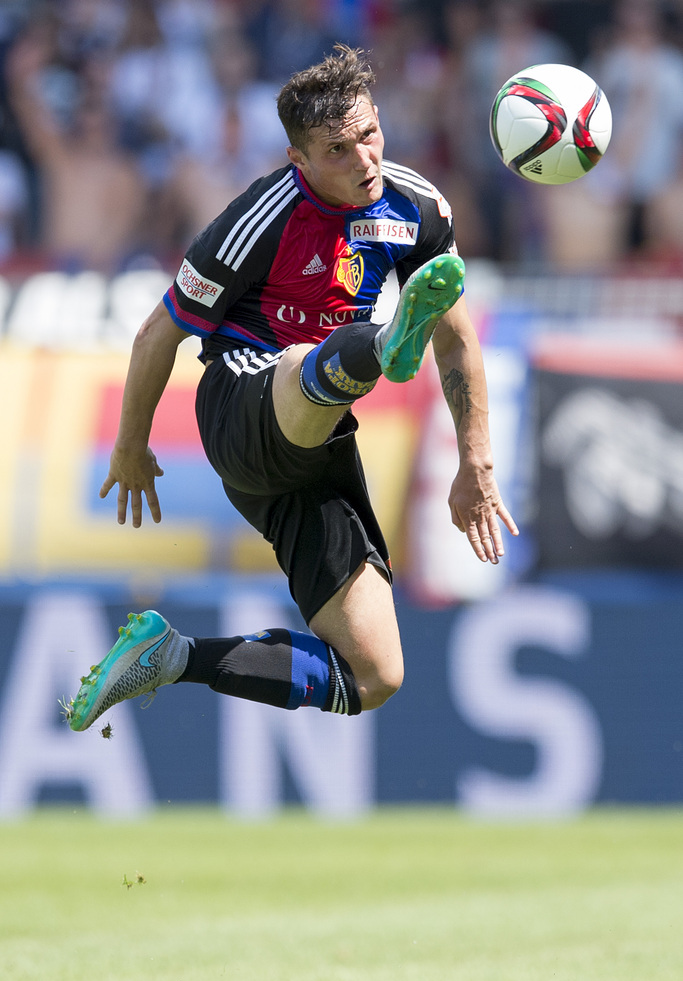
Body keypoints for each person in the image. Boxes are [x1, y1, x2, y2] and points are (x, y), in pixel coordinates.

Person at [66, 44, 518, 733]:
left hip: (311, 451)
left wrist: (475, 460)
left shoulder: (417, 207)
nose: (364, 160)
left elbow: (456, 338)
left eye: (369, 134)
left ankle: (168, 656)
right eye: (338, 149)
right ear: (297, 160)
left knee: (374, 675)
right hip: (242, 401)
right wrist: (130, 447)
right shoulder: (260, 218)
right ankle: (383, 344)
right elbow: (158, 334)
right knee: (314, 363)